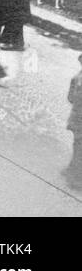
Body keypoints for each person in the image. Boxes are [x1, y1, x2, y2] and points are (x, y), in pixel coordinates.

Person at [65, 54, 82, 189]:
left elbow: (71, 97)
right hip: (79, 118)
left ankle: (74, 172)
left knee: (78, 145)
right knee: (78, 145)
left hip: (77, 118)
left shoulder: (77, 77)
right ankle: (75, 174)